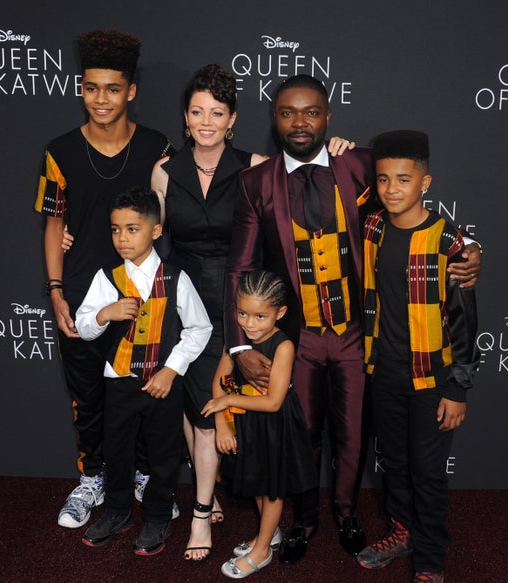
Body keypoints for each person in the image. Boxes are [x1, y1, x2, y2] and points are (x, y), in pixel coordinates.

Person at [223, 75, 483, 564]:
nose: (300, 122)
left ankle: (345, 511)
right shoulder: (255, 182)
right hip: (295, 339)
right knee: (300, 433)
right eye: (287, 113)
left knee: (354, 433)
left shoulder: (362, 163)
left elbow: (421, 216)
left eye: (311, 112)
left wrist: (471, 250)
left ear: (328, 116)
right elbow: (240, 266)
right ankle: (303, 519)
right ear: (274, 119)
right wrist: (240, 347)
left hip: (359, 338)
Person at [147, 64, 353, 561]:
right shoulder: (163, 170)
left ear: (233, 119)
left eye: (216, 113)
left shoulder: (257, 165)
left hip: (244, 309)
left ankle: (258, 510)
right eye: (197, 111)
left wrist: (340, 151)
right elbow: (152, 236)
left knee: (244, 407)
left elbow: (309, 186)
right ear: (185, 116)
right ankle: (203, 505)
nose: (206, 121)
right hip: (186, 302)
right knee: (196, 405)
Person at [34, 29, 174, 529]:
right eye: (91, 88)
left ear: (131, 91)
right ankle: (92, 476)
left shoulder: (159, 147)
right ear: (80, 88)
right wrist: (55, 293)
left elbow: (196, 194)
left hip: (143, 298)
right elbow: (54, 224)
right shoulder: (60, 151)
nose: (101, 99)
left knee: (141, 394)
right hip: (80, 295)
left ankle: (138, 473)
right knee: (88, 396)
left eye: (112, 88)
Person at [355, 131, 478, 583]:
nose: (392, 189)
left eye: (403, 180)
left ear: (426, 183)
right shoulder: (372, 226)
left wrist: (459, 388)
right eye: (384, 179)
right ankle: (402, 532)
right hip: (382, 372)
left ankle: (430, 555)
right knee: (397, 464)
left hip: (433, 378)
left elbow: (465, 321)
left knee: (428, 472)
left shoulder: (450, 243)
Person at [74, 186, 211, 555]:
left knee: (164, 454)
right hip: (119, 383)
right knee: (117, 452)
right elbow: (84, 323)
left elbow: (201, 328)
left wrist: (172, 369)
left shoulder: (175, 277)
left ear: (155, 230)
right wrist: (105, 314)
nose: (122, 238)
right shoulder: (108, 277)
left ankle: (157, 517)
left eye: (132, 229)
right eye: (116, 229)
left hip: (163, 385)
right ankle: (117, 511)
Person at [201, 270, 316, 579]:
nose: (249, 323)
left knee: (273, 488)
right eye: (242, 313)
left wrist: (227, 402)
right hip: (246, 424)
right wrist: (224, 427)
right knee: (256, 482)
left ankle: (262, 550)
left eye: (260, 316)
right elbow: (218, 383)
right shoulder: (237, 343)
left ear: (280, 313)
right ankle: (270, 534)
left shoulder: (283, 347)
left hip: (275, 426)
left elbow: (273, 401)